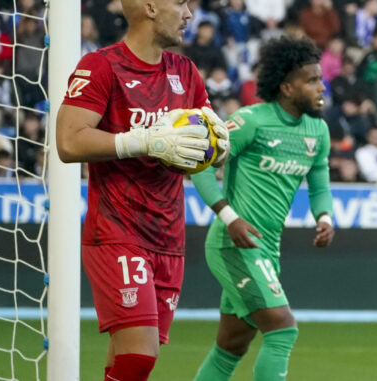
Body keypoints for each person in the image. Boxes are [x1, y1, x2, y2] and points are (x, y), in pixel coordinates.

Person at [55, 1, 229, 380]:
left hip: (168, 236)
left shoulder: (186, 72)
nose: (188, 14)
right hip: (117, 231)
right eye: (180, 3)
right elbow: (69, 141)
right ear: (150, 7)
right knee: (139, 357)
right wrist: (143, 141)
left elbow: (204, 139)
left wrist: (216, 148)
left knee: (126, 362)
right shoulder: (100, 66)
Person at [190, 36, 335, 381]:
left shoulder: (318, 130)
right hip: (233, 243)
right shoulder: (251, 121)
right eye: (312, 80)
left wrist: (325, 216)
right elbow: (202, 165)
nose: (321, 86)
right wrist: (230, 217)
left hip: (267, 248)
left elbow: (319, 183)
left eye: (320, 78)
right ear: (286, 87)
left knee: (230, 348)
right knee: (283, 329)